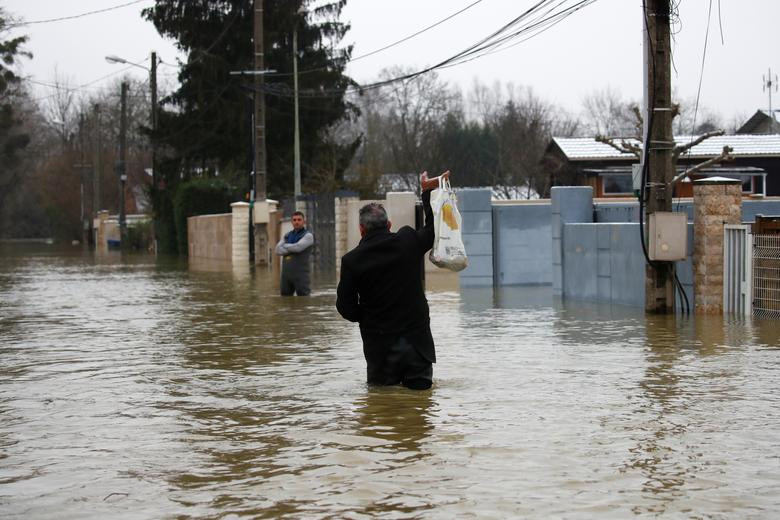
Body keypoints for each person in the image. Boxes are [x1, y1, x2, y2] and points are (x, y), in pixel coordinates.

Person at [336, 170, 450, 390]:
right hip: (418, 347)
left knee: (381, 408)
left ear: (361, 229)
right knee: (419, 411)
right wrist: (426, 194)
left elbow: (345, 308)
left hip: (380, 350)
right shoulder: (407, 241)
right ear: (389, 225)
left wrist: (369, 317)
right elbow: (433, 230)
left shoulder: (352, 261)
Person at [275, 210, 314, 296]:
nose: (297, 222)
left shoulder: (308, 236)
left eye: (299, 220)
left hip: (301, 275)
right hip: (286, 275)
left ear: (304, 221)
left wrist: (285, 245)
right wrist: (291, 246)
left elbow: (298, 248)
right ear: (292, 222)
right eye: (294, 220)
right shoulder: (287, 235)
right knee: (285, 299)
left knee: (303, 299)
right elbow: (277, 250)